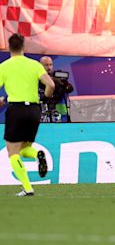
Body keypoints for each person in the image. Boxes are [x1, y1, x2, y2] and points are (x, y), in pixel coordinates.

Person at [0, 34, 55, 197]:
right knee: (25, 148)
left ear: (9, 48)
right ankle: (37, 155)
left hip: (16, 109)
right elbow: (51, 85)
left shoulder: (4, 66)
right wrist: (44, 97)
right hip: (34, 110)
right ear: (24, 47)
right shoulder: (34, 65)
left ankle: (27, 188)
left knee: (12, 151)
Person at [39, 56, 73, 123]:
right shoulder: (37, 77)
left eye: (50, 65)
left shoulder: (58, 76)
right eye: (46, 65)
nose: (49, 67)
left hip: (58, 109)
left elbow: (70, 89)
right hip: (43, 109)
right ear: (40, 66)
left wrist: (63, 84)